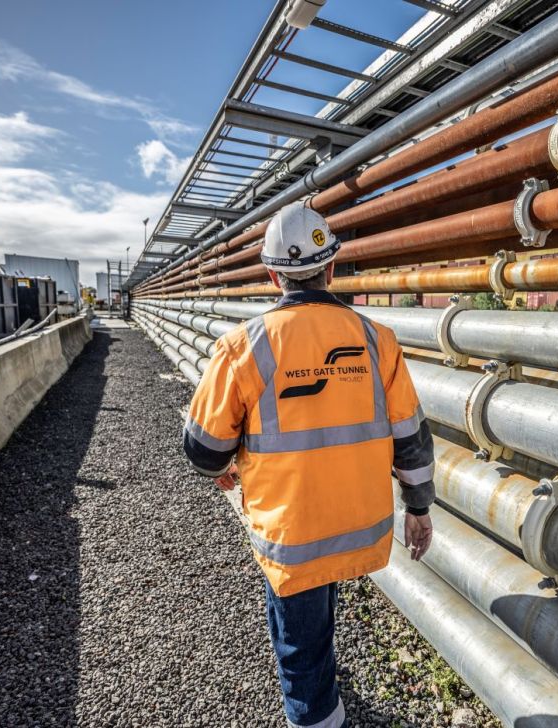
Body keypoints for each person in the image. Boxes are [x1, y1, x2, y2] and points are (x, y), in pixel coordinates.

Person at [183, 201, 435, 728]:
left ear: (274, 276)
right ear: (332, 268)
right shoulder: (376, 340)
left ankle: (316, 717)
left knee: (298, 642)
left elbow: (204, 449)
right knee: (319, 618)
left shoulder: (243, 347)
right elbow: (411, 436)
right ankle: (326, 700)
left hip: (294, 534)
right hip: (356, 526)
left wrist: (222, 470)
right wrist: (418, 508)